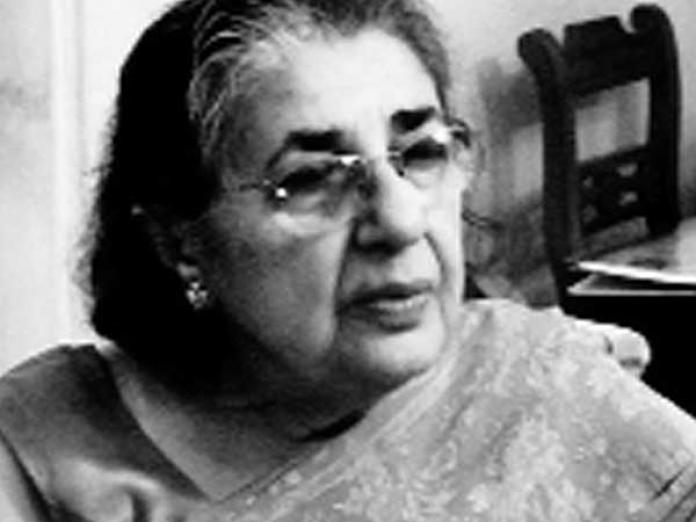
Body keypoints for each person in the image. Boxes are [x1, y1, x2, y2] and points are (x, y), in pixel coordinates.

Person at [1, 0, 696, 520]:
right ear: (178, 240)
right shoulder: (41, 454)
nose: (400, 220)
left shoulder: (547, 389)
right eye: (309, 179)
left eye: (421, 153)